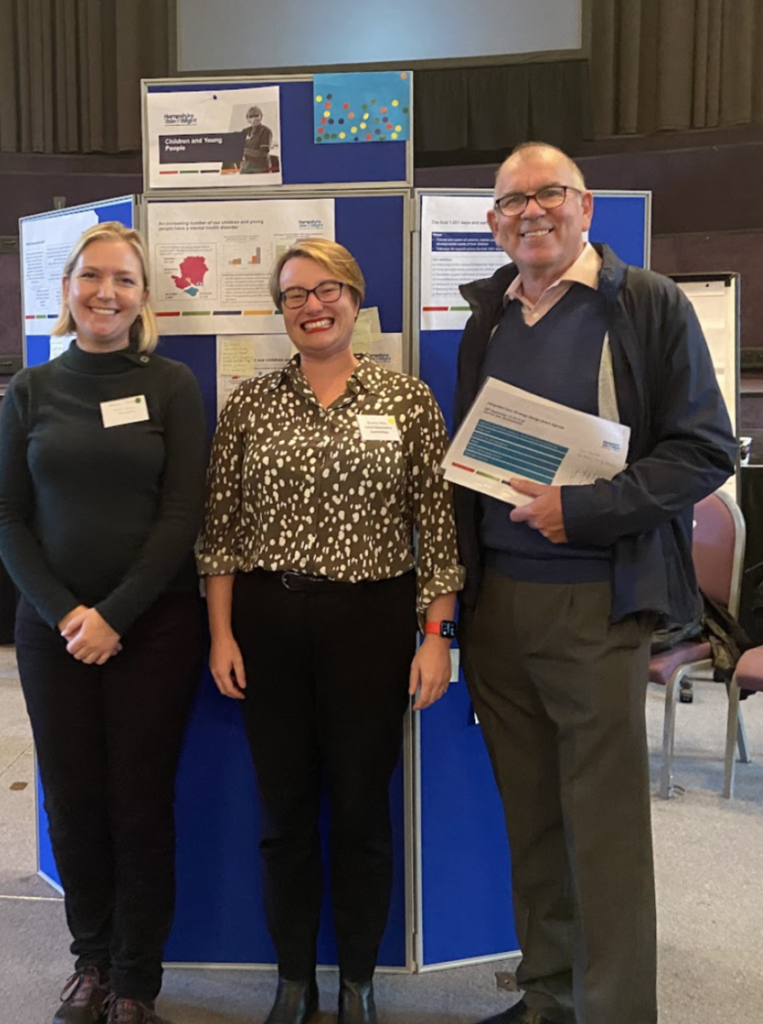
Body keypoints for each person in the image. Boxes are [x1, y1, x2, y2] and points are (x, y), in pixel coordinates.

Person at [453, 142, 736, 1024]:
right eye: (510, 203)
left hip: (595, 605)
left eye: (547, 195)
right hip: (497, 600)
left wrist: (582, 512)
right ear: (495, 224)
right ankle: (546, 994)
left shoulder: (646, 304)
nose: (528, 212)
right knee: (531, 817)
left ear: (584, 208)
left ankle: (614, 1011)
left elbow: (703, 450)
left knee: (604, 830)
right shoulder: (488, 316)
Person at [199, 238, 464, 1024]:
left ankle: (356, 982)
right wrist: (220, 633)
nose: (311, 307)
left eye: (326, 291)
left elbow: (437, 534)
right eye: (293, 296)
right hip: (267, 621)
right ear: (280, 311)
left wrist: (435, 637)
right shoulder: (249, 403)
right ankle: (291, 981)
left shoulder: (407, 400)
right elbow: (218, 533)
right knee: (283, 816)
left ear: (354, 297)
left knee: (359, 813)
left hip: (371, 624)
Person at [0, 222, 207, 1024]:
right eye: (91, 277)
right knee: (73, 804)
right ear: (67, 288)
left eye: (122, 279)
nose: (105, 293)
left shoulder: (171, 386)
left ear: (143, 297)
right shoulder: (31, 389)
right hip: (53, 635)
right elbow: (7, 518)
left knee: (139, 802)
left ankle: (137, 980)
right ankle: (91, 963)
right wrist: (68, 614)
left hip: (154, 630)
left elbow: (183, 513)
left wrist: (113, 615)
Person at [240, 105, 273, 172]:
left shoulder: (266, 131)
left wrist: (243, 151)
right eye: (251, 116)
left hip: (261, 168)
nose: (254, 118)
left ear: (261, 117)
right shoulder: (245, 131)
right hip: (246, 168)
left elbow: (263, 153)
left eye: (256, 115)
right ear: (247, 119)